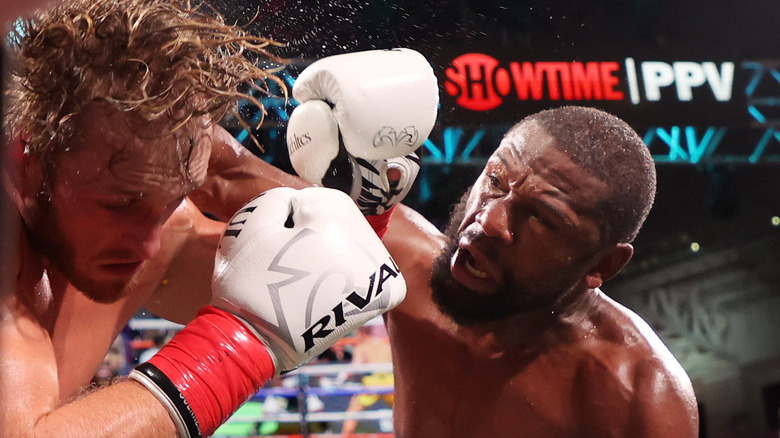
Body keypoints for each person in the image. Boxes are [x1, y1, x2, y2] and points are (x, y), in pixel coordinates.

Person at [0, 0, 433, 436]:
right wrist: (237, 343)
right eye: (122, 203)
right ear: (24, 157)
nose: (148, 242)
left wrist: (366, 199)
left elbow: (312, 278)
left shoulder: (157, 230)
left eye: (174, 198)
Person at [287, 105, 699, 437]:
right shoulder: (407, 261)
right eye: (496, 180)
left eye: (541, 217)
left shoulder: (636, 397)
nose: (489, 222)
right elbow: (229, 174)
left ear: (602, 264)